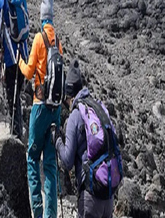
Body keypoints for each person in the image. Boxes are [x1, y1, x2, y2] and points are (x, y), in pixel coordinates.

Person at [55, 60, 121, 218]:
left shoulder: (76, 115)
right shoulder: (96, 106)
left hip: (90, 196)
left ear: (68, 96)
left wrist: (57, 140)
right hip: (108, 194)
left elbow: (67, 161)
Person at [18, 0, 63, 218]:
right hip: (56, 110)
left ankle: (36, 210)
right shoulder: (58, 42)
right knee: (51, 166)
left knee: (32, 158)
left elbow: (28, 72)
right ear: (52, 18)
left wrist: (20, 61)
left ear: (42, 17)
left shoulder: (38, 39)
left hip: (39, 106)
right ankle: (50, 215)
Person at [0, 0, 28, 140]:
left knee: (11, 98)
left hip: (9, 58)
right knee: (18, 97)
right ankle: (18, 132)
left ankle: (14, 138)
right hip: (23, 56)